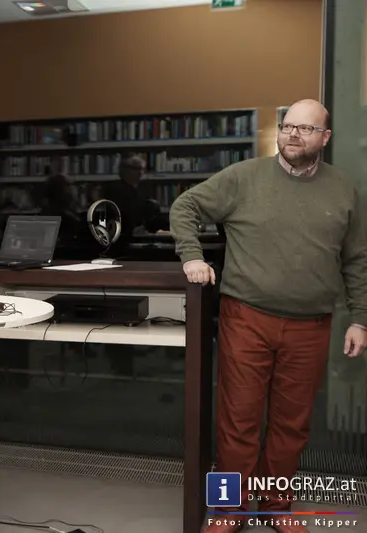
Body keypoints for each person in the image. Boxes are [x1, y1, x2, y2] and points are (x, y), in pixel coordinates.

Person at [169, 99, 367, 533]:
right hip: (247, 317)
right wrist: (191, 257)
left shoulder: (345, 189)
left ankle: (276, 506)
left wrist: (360, 318)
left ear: (325, 138)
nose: (293, 134)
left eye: (305, 129)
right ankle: (227, 509)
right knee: (237, 421)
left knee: (290, 425)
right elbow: (185, 208)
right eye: (287, 125)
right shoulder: (243, 177)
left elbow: (357, 259)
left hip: (312, 325)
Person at [104, 154, 166, 256]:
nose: (141, 173)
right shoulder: (115, 190)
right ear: (125, 170)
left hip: (138, 236)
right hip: (122, 240)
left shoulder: (140, 190)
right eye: (136, 169)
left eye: (142, 169)